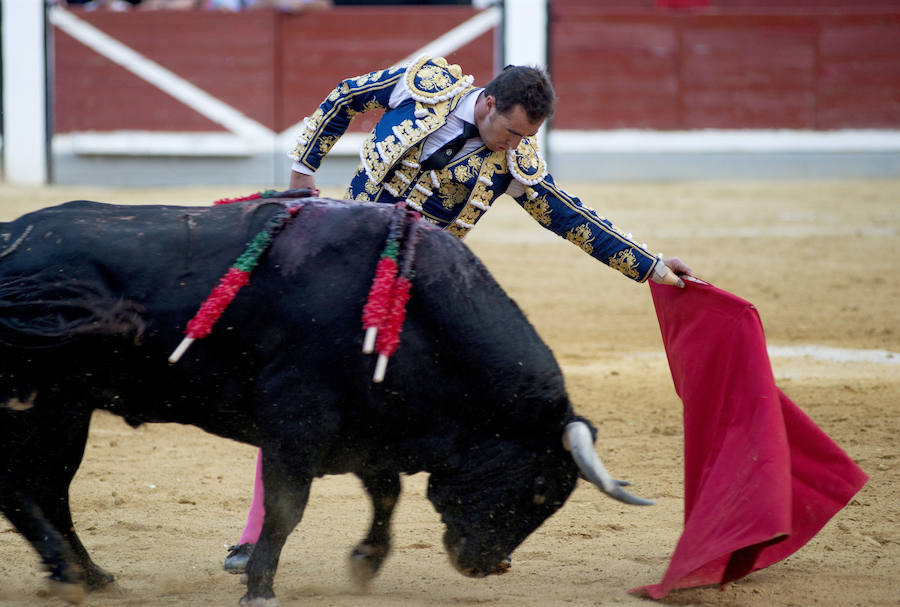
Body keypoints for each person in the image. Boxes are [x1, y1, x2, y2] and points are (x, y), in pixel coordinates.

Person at [223, 55, 693, 573]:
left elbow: (572, 219)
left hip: (418, 282)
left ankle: (487, 525)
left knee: (473, 391)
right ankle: (252, 540)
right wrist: (302, 179)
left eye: (524, 138)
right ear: (489, 102)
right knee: (296, 389)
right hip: (341, 254)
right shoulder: (422, 89)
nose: (514, 146)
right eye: (510, 131)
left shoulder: (514, 164)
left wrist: (651, 266)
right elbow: (344, 98)